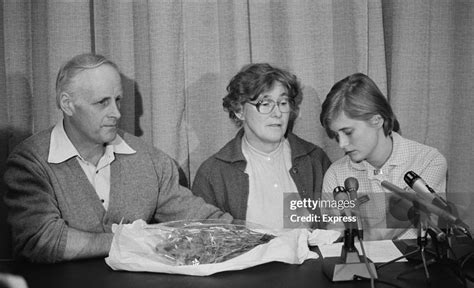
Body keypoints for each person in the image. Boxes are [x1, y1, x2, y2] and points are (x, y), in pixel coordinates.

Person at [3, 53, 231, 263]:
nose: (117, 113)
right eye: (103, 102)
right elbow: (41, 240)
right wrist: (135, 240)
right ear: (67, 104)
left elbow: (200, 219)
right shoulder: (30, 162)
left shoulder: (151, 161)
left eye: (118, 100)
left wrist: (257, 236)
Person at [192, 63, 331, 229]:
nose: (278, 113)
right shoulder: (212, 174)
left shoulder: (315, 160)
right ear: (239, 110)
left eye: (283, 102)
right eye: (265, 104)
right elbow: (203, 241)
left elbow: (344, 227)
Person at [319, 73, 447, 240]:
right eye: (336, 135)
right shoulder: (335, 174)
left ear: (377, 120)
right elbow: (336, 238)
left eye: (348, 132)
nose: (342, 144)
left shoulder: (429, 161)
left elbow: (393, 224)